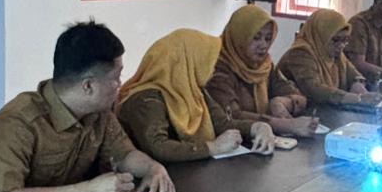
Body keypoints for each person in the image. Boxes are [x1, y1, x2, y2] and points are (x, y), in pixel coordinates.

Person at [0, 21, 175, 192]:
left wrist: (153, 168)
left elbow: (124, 155)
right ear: (88, 86)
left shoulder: (98, 113)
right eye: (116, 77)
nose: (119, 85)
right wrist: (87, 191)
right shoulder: (20, 121)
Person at [116, 28, 276, 162]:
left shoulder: (193, 90)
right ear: (185, 62)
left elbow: (221, 124)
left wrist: (258, 127)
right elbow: (158, 146)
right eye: (206, 62)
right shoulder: (145, 98)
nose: (212, 69)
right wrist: (212, 147)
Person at [205, 4, 319, 137]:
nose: (264, 45)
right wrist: (285, 125)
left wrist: (282, 102)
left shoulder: (264, 65)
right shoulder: (218, 67)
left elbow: (295, 93)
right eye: (256, 38)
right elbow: (231, 116)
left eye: (268, 38)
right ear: (239, 37)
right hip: (232, 144)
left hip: (261, 140)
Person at [277, 8, 381, 107]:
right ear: (321, 35)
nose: (341, 45)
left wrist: (360, 88)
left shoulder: (334, 52)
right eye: (336, 39)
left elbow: (353, 75)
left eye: (345, 40)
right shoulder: (300, 53)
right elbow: (314, 89)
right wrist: (355, 99)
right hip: (294, 115)